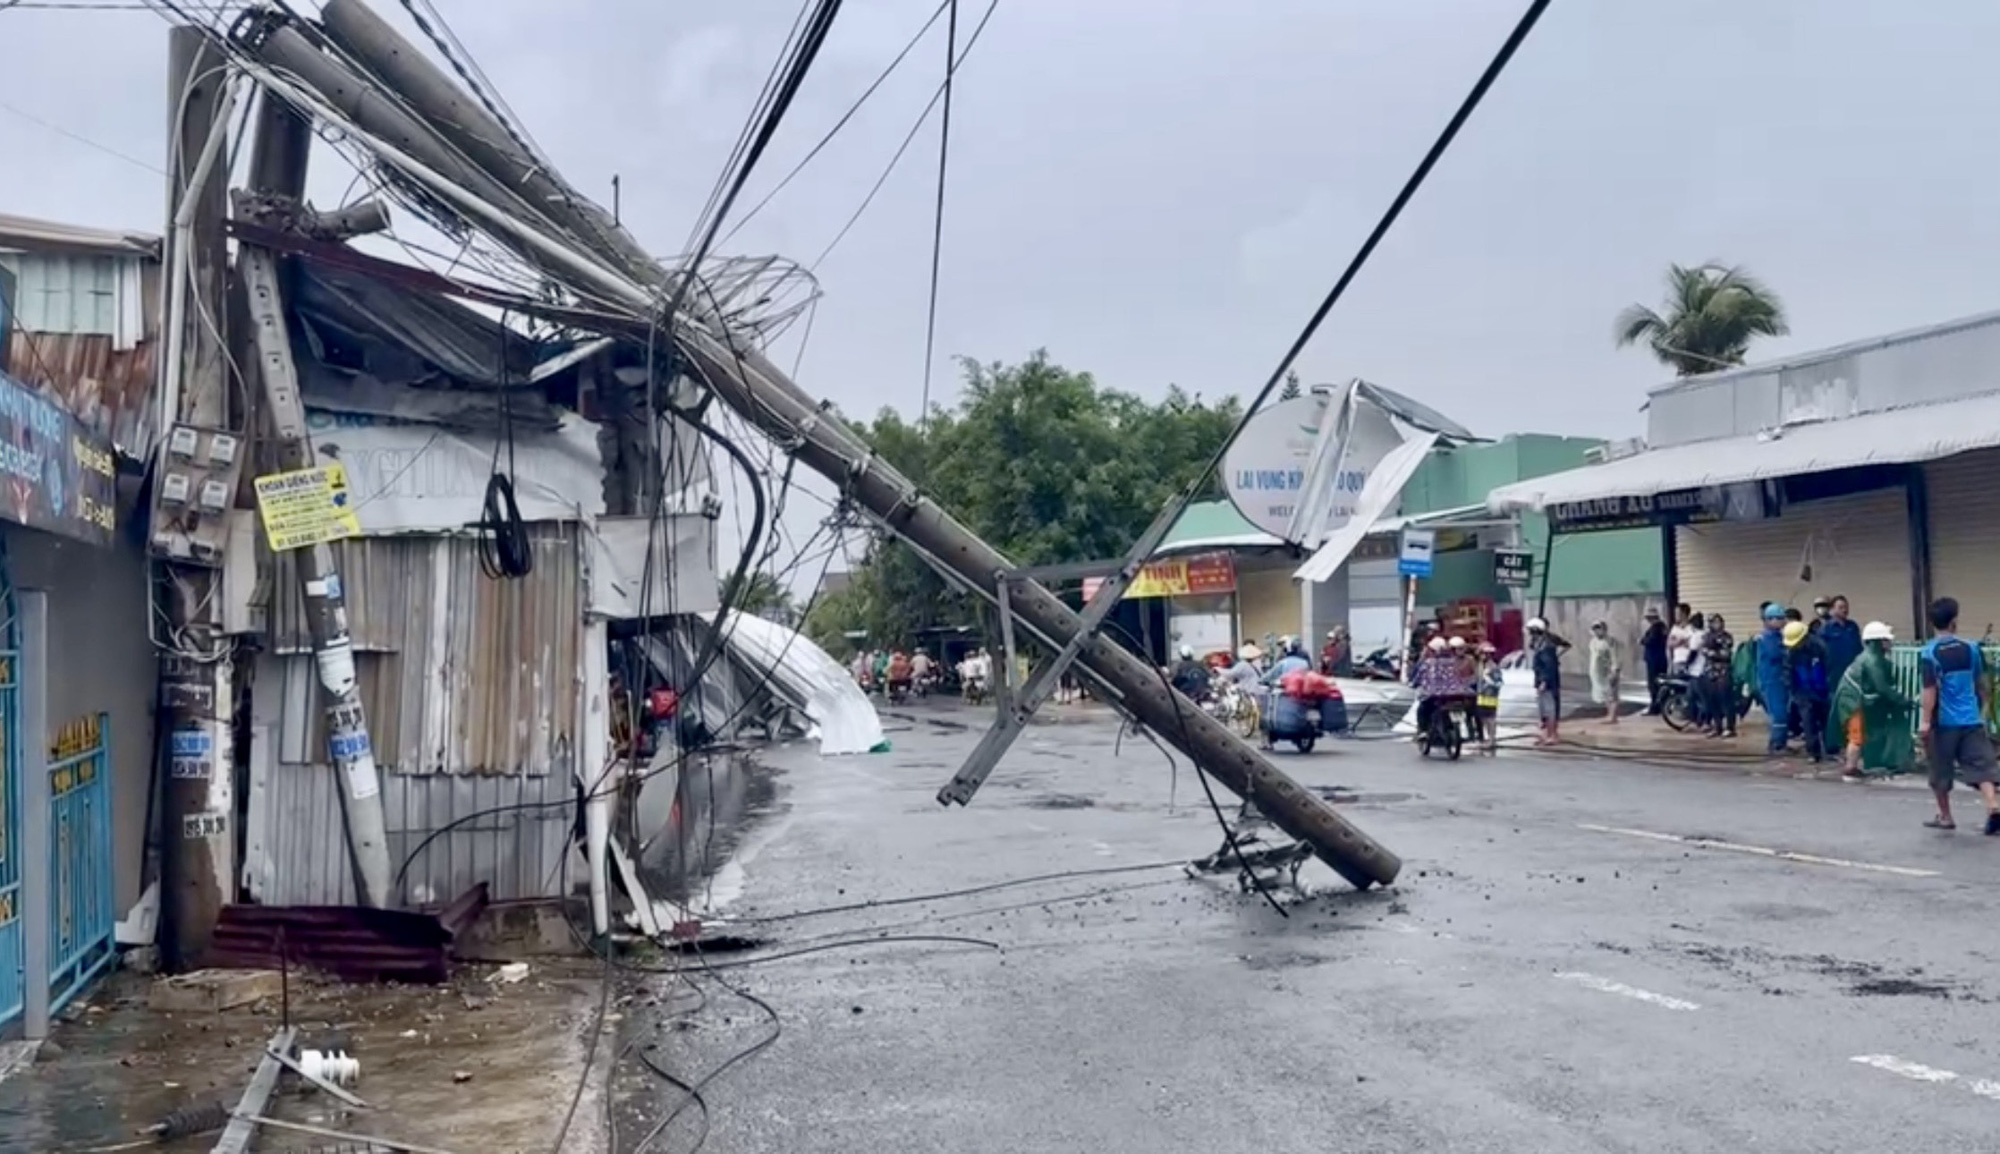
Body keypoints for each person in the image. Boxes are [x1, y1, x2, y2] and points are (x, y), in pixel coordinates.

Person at [1919, 596, 2000, 833]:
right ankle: (1993, 805)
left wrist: (1925, 722)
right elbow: (1981, 683)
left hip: (1944, 723)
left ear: (1934, 623)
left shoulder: (1929, 653)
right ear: (1954, 622)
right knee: (1982, 766)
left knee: (1940, 771)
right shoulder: (1972, 648)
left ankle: (1945, 816)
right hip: (1971, 719)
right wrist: (1984, 709)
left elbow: (1929, 689)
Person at [1827, 621, 1914, 780]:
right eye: (1885, 640)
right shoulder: (1872, 660)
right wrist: (1903, 700)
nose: (1889, 643)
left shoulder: (1875, 658)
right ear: (1876, 641)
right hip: (1852, 700)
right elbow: (1883, 687)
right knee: (1857, 735)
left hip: (1858, 699)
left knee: (1863, 733)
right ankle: (1850, 768)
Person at [1783, 620, 1831, 763]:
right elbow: (1787, 673)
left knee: (1827, 721)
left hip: (1822, 690)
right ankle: (1813, 752)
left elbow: (1829, 667)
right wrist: (1794, 692)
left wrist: (1828, 687)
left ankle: (1830, 749)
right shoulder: (1791, 652)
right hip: (1803, 692)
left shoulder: (1820, 646)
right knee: (1808, 722)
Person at [1755, 603, 1792, 755]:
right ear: (1770, 620)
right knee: (1779, 713)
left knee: (1783, 712)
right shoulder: (1768, 638)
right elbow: (1775, 655)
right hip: (1771, 680)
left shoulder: (1777, 637)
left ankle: (1780, 742)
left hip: (1779, 680)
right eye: (1779, 618)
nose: (1783, 622)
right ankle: (1777, 744)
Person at [1412, 636, 1463, 741]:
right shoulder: (1452, 662)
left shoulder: (1428, 663)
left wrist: (1413, 683)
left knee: (1422, 708)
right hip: (1452, 693)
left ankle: (1423, 730)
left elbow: (1418, 677)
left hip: (1433, 694)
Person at [1529, 618, 1565, 745]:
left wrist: (1544, 681)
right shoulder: (1540, 644)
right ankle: (1548, 734)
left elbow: (1548, 666)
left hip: (1547, 681)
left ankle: (1552, 735)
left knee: (1550, 708)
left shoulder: (1546, 646)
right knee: (1544, 708)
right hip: (1541, 679)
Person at [1701, 613, 1737, 738]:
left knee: (1726, 700)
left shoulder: (1726, 636)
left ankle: (1730, 727)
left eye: (1719, 621)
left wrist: (1711, 652)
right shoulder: (1707, 636)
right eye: (1713, 622)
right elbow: (1703, 650)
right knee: (1712, 700)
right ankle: (1717, 727)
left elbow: (1725, 654)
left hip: (1723, 671)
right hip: (1710, 671)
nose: (1717, 624)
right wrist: (1710, 652)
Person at [1821, 594, 1862, 692]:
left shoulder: (1852, 626)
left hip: (1852, 673)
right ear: (1832, 610)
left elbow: (1859, 648)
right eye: (1840, 607)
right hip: (1834, 675)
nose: (1844, 610)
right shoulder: (1826, 629)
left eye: (1846, 607)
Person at [1588, 620, 1622, 725]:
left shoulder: (1610, 641)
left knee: (1612, 694)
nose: (1597, 631)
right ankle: (1609, 714)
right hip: (1597, 672)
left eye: (1599, 628)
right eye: (1595, 629)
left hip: (1608, 671)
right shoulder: (1593, 641)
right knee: (1604, 694)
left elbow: (1615, 656)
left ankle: (1613, 716)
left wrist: (1615, 670)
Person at [1473, 640, 1502, 755]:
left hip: (1490, 695)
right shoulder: (1480, 666)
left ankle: (1491, 739)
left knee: (1490, 718)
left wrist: (1490, 685)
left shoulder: (1493, 667)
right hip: (1481, 695)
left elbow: (1498, 682)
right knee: (1483, 718)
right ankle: (1488, 738)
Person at [1641, 607, 1669, 714]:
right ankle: (1661, 705)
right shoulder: (1662, 627)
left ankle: (1655, 707)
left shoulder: (1656, 628)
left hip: (1654, 660)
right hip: (1660, 659)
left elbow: (1649, 641)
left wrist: (1643, 640)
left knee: (1653, 684)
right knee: (1660, 683)